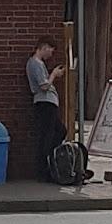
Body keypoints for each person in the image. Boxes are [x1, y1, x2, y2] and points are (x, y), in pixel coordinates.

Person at [26, 35, 66, 181]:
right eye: (50, 50)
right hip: (45, 102)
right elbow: (44, 86)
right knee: (48, 135)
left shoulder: (39, 64)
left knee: (57, 132)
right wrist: (54, 75)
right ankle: (45, 166)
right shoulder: (35, 64)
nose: (51, 54)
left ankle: (49, 159)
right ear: (43, 47)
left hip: (48, 102)